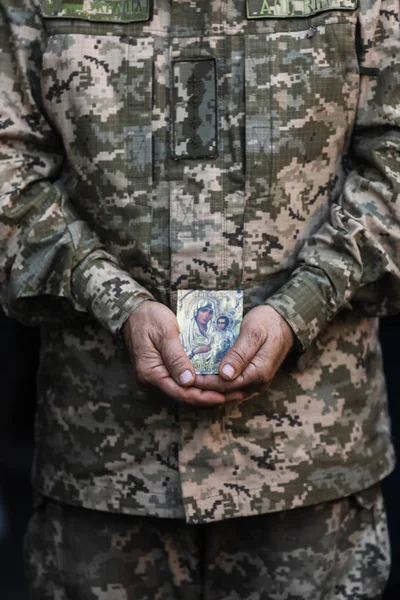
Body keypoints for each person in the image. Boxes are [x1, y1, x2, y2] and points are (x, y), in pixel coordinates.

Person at [0, 0, 399, 598]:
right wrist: (115, 299)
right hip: (106, 464)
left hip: (306, 465)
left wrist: (302, 305)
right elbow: (10, 164)